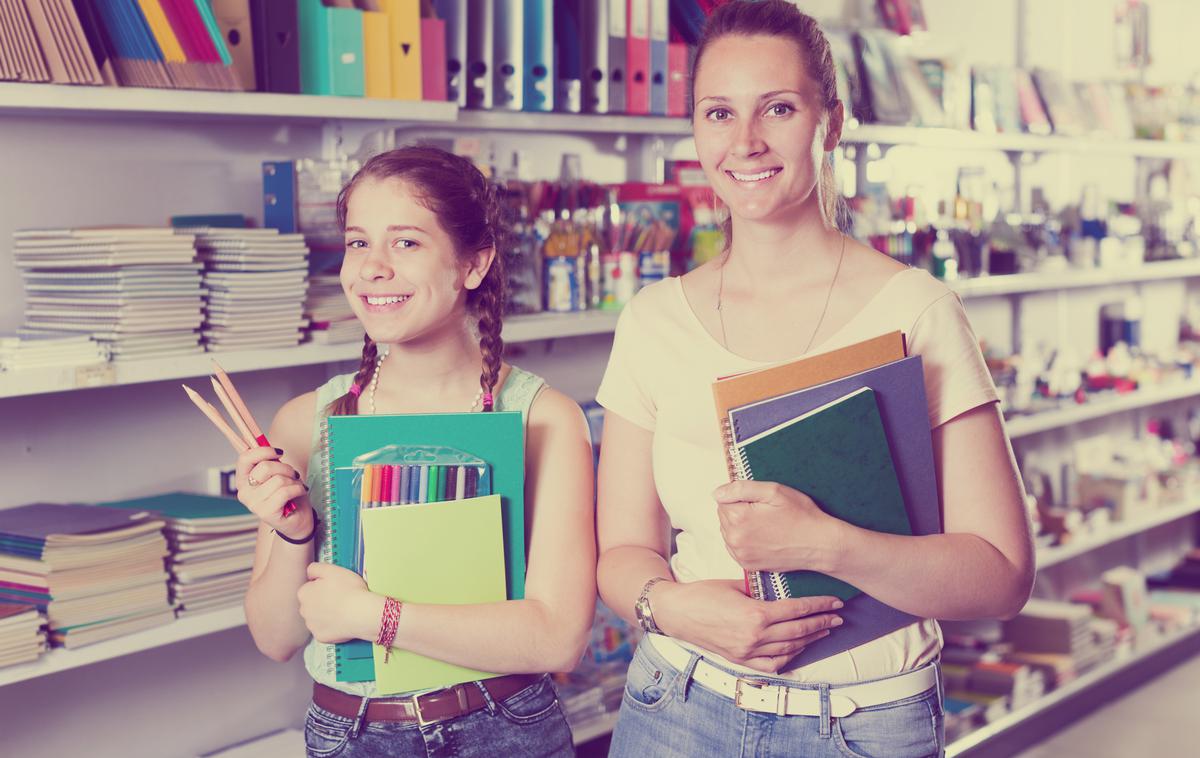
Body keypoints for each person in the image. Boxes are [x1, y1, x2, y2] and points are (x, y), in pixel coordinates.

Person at [595, 3, 1034, 756]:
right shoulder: (652, 319)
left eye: (779, 108)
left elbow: (999, 577)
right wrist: (671, 607)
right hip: (678, 704)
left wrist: (826, 545)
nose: (746, 142)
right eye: (718, 113)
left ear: (831, 121)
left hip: (860, 723)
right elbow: (621, 555)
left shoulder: (914, 310)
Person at [233, 146, 596, 758]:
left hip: (503, 727)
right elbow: (276, 638)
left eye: (405, 243)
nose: (372, 268)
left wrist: (371, 616)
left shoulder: (541, 418)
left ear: (473, 264)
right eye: (357, 243)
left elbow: (557, 639)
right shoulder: (306, 422)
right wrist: (295, 531)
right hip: (350, 733)